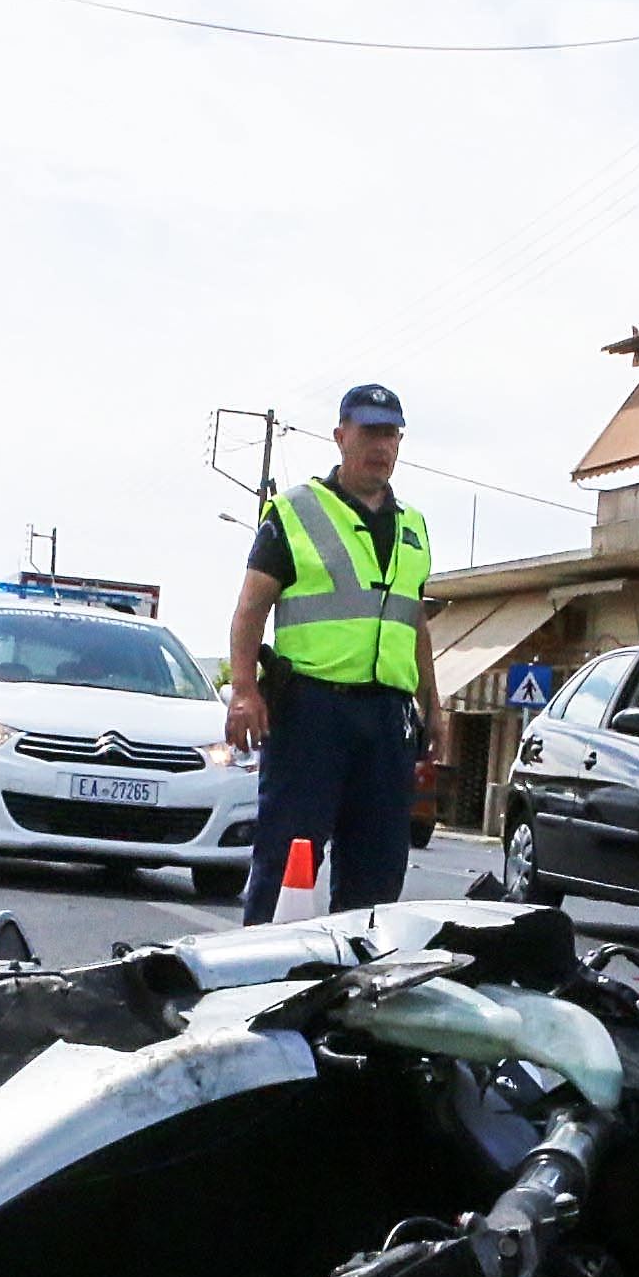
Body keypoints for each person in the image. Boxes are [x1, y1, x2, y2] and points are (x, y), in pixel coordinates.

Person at [224, 382, 446, 922]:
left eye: (391, 434)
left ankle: (356, 990)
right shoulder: (295, 511)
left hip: (387, 720)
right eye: (370, 432)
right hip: (311, 714)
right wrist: (245, 692)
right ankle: (259, 983)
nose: (382, 445)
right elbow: (251, 608)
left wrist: (432, 706)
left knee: (378, 873)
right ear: (341, 435)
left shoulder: (413, 526)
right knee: (286, 860)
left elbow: (413, 622)